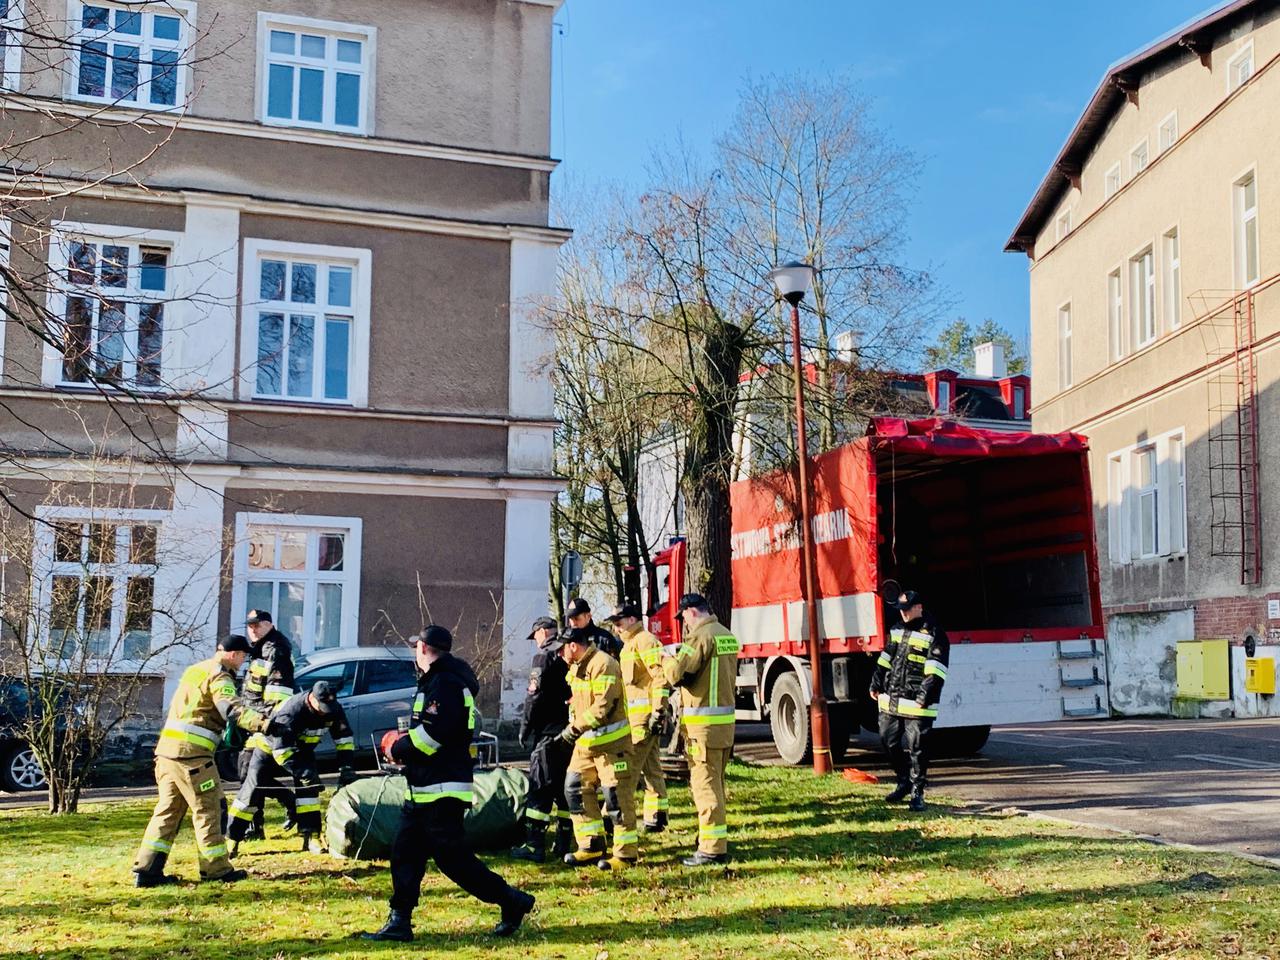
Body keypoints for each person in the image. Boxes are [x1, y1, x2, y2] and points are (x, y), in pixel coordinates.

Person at [362, 626, 534, 942]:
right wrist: (404, 747)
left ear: (425, 648)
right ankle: (400, 920)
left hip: (441, 790)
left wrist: (396, 748)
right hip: (426, 788)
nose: (414, 651)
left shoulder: (445, 684)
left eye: (417, 646)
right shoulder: (439, 681)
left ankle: (512, 901)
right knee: (405, 852)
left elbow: (433, 736)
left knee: (452, 860)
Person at [132, 634, 269, 886]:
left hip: (166, 753)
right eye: (242, 656)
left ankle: (147, 871)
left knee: (167, 811)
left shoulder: (195, 670)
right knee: (209, 808)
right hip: (192, 756)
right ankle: (215, 869)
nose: (242, 662)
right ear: (232, 654)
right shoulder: (219, 674)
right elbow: (229, 707)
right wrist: (262, 723)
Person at [226, 680, 357, 857]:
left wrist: (346, 767)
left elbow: (344, 739)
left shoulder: (333, 708)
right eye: (322, 706)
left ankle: (312, 837)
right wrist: (304, 773)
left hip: (303, 751)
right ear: (312, 698)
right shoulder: (292, 711)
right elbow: (282, 752)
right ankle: (232, 839)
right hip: (269, 750)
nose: (325, 712)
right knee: (251, 793)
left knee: (309, 795)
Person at [663, 593, 737, 866]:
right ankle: (714, 840)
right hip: (723, 728)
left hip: (702, 728)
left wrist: (665, 658)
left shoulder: (700, 638)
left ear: (691, 612)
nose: (684, 624)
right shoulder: (725, 634)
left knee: (704, 788)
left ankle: (711, 849)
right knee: (716, 785)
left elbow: (677, 674)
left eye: (683, 617)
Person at [557, 625, 637, 871]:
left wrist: (573, 729)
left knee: (617, 798)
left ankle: (625, 855)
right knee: (574, 788)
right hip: (587, 745)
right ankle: (590, 845)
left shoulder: (604, 664)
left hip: (612, 746)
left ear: (573, 645)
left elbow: (603, 707)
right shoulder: (577, 667)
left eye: (562, 650)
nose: (559, 655)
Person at [869, 589, 950, 812]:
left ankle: (917, 792)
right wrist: (876, 683)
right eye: (901, 610)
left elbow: (936, 670)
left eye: (907, 609)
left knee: (918, 749)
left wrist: (924, 697)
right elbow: (886, 659)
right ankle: (903, 782)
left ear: (919, 607)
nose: (903, 614)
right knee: (888, 741)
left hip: (917, 703)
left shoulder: (935, 633)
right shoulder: (896, 629)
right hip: (892, 699)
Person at [510, 616, 575, 863]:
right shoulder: (568, 654)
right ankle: (563, 841)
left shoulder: (543, 657)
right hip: (567, 731)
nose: (535, 641)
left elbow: (534, 698)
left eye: (535, 636)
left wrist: (524, 729)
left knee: (539, 788)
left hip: (546, 734)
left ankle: (534, 845)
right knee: (562, 788)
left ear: (541, 632)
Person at [607, 602, 670, 832]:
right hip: (638, 719)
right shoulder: (629, 646)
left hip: (644, 720)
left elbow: (661, 677)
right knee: (651, 768)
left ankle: (614, 817)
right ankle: (657, 816)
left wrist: (658, 712)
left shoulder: (645, 641)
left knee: (628, 770)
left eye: (619, 623)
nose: (616, 629)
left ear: (632, 619)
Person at [238, 609, 297, 839]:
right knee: (251, 772)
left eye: (257, 625)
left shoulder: (276, 650)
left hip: (265, 722)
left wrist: (264, 723)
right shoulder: (259, 649)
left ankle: (258, 825)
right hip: (254, 720)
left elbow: (277, 695)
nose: (252, 629)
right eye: (250, 625)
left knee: (249, 771)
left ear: (269, 625)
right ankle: (263, 822)